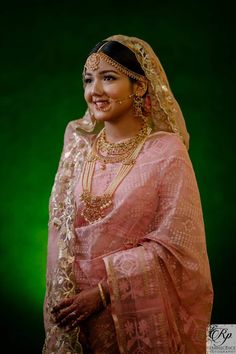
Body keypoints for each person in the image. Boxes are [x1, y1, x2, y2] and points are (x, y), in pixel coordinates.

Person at [42, 34, 213, 354]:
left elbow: (178, 249)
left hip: (135, 315)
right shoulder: (78, 151)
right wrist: (66, 300)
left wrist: (106, 292)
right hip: (76, 315)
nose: (95, 91)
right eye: (88, 80)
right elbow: (60, 235)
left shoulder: (166, 152)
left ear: (140, 86)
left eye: (109, 78)